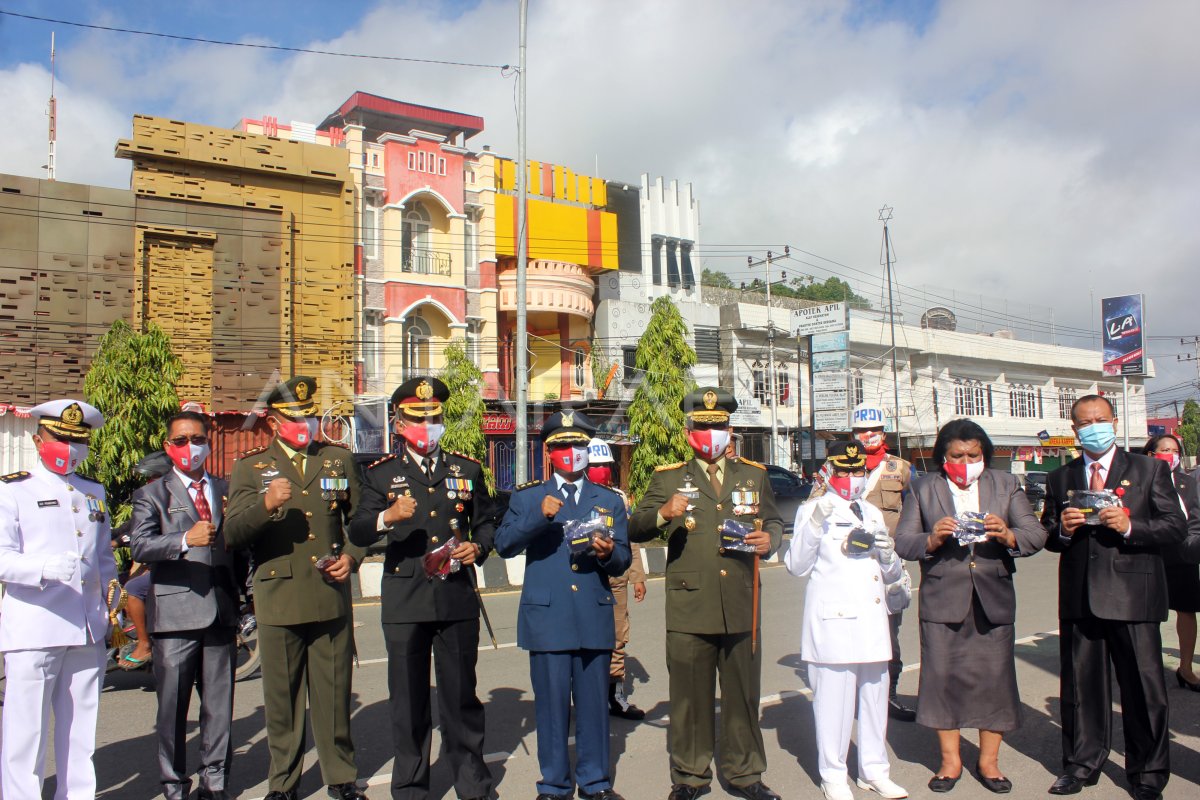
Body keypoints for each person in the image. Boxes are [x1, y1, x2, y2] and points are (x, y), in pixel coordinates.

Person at [629, 387, 784, 800]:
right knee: (689, 699)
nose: (711, 435)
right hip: (690, 604)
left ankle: (746, 773)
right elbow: (634, 525)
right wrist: (664, 513)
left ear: (730, 431)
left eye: (719, 428)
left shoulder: (754, 474)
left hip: (741, 601)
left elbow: (772, 520)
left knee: (743, 695)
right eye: (702, 427)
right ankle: (689, 776)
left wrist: (770, 539)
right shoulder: (668, 477)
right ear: (688, 432)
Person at [348, 377, 496, 800]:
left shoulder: (466, 468)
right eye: (417, 419)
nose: (427, 426)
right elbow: (357, 530)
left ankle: (473, 784)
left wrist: (478, 545)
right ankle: (411, 787)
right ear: (398, 424)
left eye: (434, 418)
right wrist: (387, 516)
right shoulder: (380, 475)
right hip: (406, 598)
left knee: (461, 699)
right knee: (409, 703)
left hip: (455, 597)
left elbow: (486, 519)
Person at [224, 376, 368, 800]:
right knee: (283, 700)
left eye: (308, 415)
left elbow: (361, 522)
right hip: (279, 597)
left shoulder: (337, 459)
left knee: (334, 694)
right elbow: (232, 533)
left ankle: (341, 777)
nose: (303, 423)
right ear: (272, 421)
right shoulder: (250, 468)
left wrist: (353, 557)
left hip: (329, 592)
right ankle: (283, 782)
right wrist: (266, 505)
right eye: (293, 417)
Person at [1043, 395, 1186, 800]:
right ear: (1074, 429)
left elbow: (1174, 526)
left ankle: (1148, 772)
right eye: (1084, 422)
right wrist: (1065, 530)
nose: (1093, 427)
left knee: (1143, 689)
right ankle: (1081, 763)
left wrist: (1129, 526)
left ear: (1115, 422)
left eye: (1100, 420)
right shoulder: (1061, 477)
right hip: (1079, 596)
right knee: (1081, 687)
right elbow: (1049, 534)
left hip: (1133, 593)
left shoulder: (1149, 468)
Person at [894, 418, 1046, 794]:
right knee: (942, 680)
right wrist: (932, 539)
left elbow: (1035, 533)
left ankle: (989, 762)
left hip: (992, 597)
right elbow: (903, 541)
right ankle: (950, 761)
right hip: (943, 598)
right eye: (956, 455)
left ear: (984, 455)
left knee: (994, 682)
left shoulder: (1006, 485)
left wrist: (1008, 533)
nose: (965, 461)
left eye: (973, 455)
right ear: (942, 456)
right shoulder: (923, 487)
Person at [494, 411, 632, 800]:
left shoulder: (607, 499)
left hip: (592, 612)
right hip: (548, 617)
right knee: (552, 711)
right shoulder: (528, 497)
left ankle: (595, 782)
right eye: (563, 447)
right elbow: (504, 545)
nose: (572, 453)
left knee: (592, 708)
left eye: (579, 447)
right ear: (549, 452)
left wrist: (608, 553)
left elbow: (623, 558)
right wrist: (539, 517)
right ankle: (553, 785)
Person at [0, 399, 116, 800]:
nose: (69, 448)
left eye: (77, 440)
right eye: (60, 438)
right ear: (38, 439)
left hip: (86, 626)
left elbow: (103, 558)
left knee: (81, 729)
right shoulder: (13, 489)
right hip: (36, 624)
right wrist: (43, 568)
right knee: (26, 731)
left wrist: (110, 604)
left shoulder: (93, 492)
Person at [786, 441, 908, 800]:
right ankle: (834, 775)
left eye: (858, 471)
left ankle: (874, 770)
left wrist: (889, 558)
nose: (852, 478)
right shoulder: (811, 510)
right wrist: (816, 523)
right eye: (844, 471)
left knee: (874, 701)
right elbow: (796, 566)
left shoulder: (870, 512)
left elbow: (887, 572)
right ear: (831, 472)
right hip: (834, 623)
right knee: (833, 706)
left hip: (872, 621)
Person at [130, 410, 240, 800]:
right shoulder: (152, 494)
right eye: (180, 441)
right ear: (168, 446)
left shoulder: (227, 489)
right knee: (173, 709)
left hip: (220, 610)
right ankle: (175, 785)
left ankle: (215, 782)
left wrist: (245, 597)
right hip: (175, 615)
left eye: (197, 439)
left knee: (218, 708)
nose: (189, 447)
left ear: (209, 443)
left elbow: (239, 548)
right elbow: (140, 544)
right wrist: (181, 540)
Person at [807, 402, 916, 721]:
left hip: (885, 562)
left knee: (889, 632)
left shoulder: (902, 468)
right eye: (862, 431)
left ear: (884, 432)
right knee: (845, 628)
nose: (869, 436)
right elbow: (813, 506)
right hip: (843, 563)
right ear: (852, 434)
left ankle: (889, 695)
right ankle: (848, 693)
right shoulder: (832, 467)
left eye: (875, 430)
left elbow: (914, 512)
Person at [586, 436, 648, 720]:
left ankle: (616, 695)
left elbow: (629, 540)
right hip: (585, 578)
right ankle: (586, 696)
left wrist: (638, 577)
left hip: (616, 579)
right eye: (596, 464)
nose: (602, 469)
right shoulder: (576, 496)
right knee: (584, 639)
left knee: (617, 637)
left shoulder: (619, 499)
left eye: (605, 464)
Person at [1141, 433, 1199, 690]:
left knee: (1186, 610)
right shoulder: (1138, 480)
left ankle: (1185, 668)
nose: (1171, 454)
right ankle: (1147, 672)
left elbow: (1195, 518)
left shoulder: (1187, 482)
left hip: (1182, 554)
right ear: (1152, 454)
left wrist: (1192, 545)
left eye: (1175, 450)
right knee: (1148, 614)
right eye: (1165, 449)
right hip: (1149, 554)